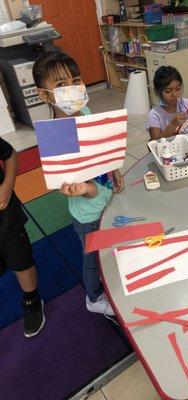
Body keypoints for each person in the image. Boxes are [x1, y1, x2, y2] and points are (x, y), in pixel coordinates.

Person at [33, 51, 124, 316]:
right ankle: (94, 298)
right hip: (87, 212)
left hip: (104, 197)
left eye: (75, 80)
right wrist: (87, 189)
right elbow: (81, 188)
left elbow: (104, 148)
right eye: (61, 85)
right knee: (92, 258)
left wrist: (114, 169)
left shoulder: (83, 110)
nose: (72, 88)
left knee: (106, 249)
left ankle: (108, 283)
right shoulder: (58, 138)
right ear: (44, 95)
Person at [0, 138, 45, 337]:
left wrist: (7, 186)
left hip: (5, 216)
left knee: (20, 259)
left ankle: (32, 301)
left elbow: (10, 154)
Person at [147, 66, 188, 140]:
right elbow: (156, 142)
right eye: (168, 91)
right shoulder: (154, 115)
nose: (174, 94)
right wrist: (173, 125)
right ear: (158, 92)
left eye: (178, 89)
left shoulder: (186, 104)